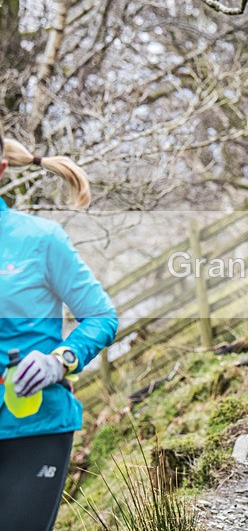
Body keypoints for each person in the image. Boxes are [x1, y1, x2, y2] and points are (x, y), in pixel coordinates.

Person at [0, 130, 118, 529]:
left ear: (1, 169)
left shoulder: (40, 239)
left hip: (32, 424)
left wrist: (59, 361)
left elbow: (101, 316)